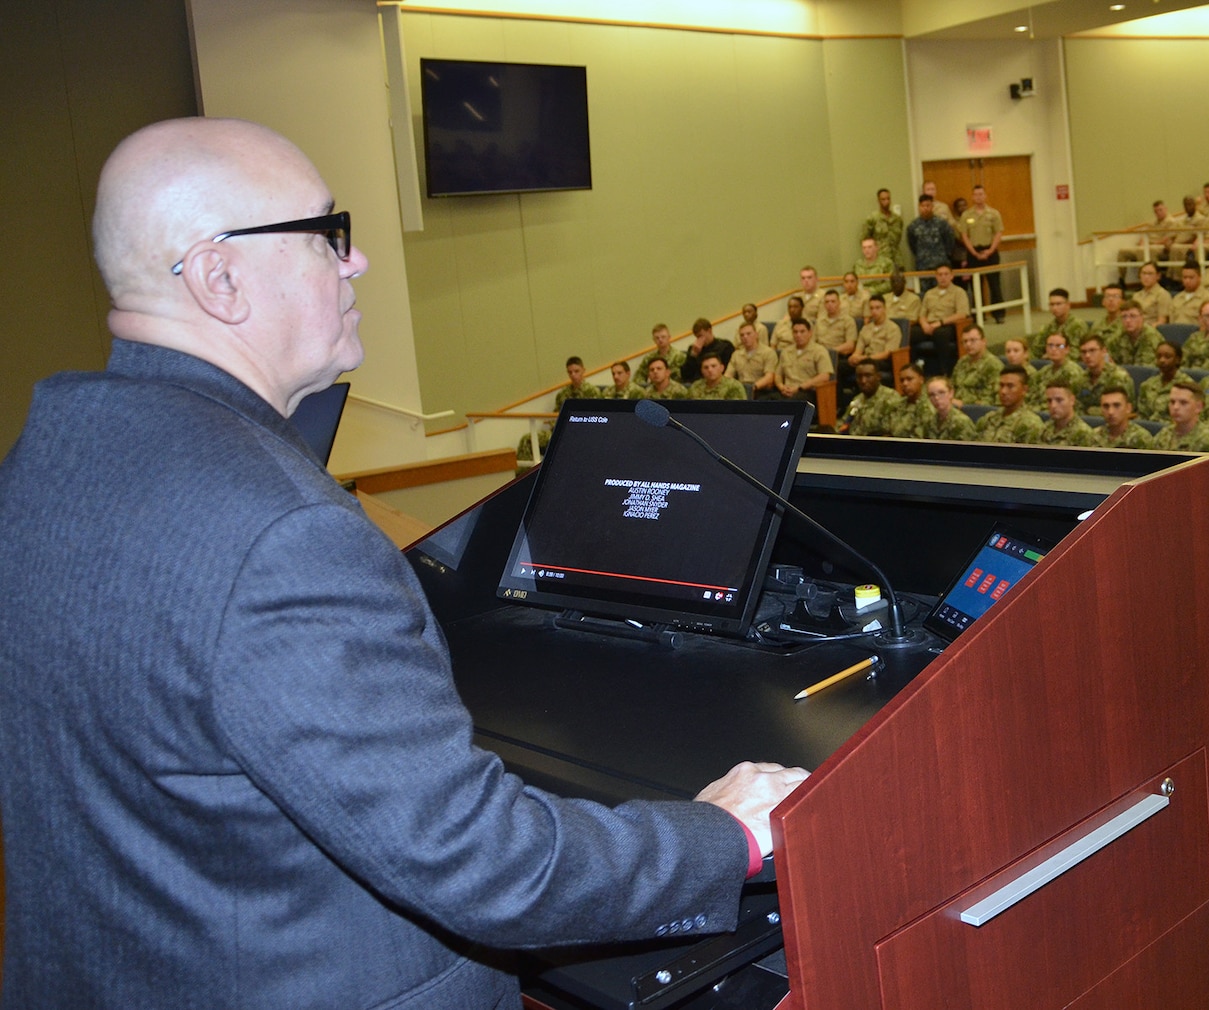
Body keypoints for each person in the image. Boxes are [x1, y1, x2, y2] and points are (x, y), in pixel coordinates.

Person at [0, 117, 807, 1007]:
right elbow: (483, 866)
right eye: (326, 235)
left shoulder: (46, 463)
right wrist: (725, 835)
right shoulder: (281, 530)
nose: (357, 264)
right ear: (221, 277)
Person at [916, 264, 971, 375]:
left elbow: (962, 314)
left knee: (940, 334)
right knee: (911, 334)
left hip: (948, 325)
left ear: (952, 276)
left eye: (946, 274)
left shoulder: (959, 292)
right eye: (940, 275)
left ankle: (944, 371)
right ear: (936, 277)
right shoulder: (929, 293)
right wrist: (924, 325)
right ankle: (915, 370)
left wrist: (940, 323)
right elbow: (921, 314)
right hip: (929, 325)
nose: (943, 277)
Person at [975, 366, 1045, 444]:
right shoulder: (988, 419)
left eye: (1010, 386)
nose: (1003, 391)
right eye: (1001, 385)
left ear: (1024, 390)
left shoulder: (1031, 424)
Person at [1151, 381, 1209, 452]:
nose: (1175, 407)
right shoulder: (1163, 435)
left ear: (1198, 407)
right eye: (1172, 402)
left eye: (1183, 403)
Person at [772, 318, 832, 405]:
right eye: (795, 332)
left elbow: (824, 376)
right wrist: (781, 387)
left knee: (788, 404)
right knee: (764, 401)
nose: (798, 335)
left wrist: (799, 387)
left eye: (802, 331)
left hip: (807, 392)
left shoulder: (819, 351)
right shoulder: (786, 351)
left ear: (810, 333)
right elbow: (778, 374)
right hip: (786, 391)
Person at [841, 360, 902, 436]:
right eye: (859, 376)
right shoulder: (857, 399)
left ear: (878, 377)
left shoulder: (891, 397)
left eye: (868, 376)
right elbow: (843, 425)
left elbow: (892, 432)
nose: (863, 381)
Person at [905, 193, 957, 278]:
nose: (925, 208)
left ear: (932, 206)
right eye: (923, 206)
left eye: (928, 205)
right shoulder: (913, 226)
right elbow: (912, 245)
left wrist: (944, 255)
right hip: (923, 266)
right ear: (919, 207)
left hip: (940, 266)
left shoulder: (942, 224)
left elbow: (949, 242)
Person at [726, 321, 779, 397]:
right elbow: (728, 375)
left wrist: (752, 388)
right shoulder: (736, 354)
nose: (745, 337)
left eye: (748, 334)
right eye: (742, 335)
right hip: (741, 389)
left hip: (761, 390)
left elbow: (769, 377)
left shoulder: (768, 353)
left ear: (756, 335)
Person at [1037, 381, 1098, 447]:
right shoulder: (1043, 429)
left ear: (1072, 400)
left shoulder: (1084, 434)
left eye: (1059, 400)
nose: (1053, 405)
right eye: (1049, 401)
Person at [678, 317, 735, 384]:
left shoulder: (725, 346)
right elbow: (685, 376)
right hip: (697, 384)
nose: (699, 340)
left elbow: (727, 371)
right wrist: (693, 356)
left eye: (701, 336)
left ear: (709, 331)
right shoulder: (693, 349)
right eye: (697, 337)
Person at [923, 374, 976, 441]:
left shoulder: (961, 422)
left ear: (951, 393)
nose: (936, 398)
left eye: (941, 392)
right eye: (932, 395)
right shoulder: (929, 422)